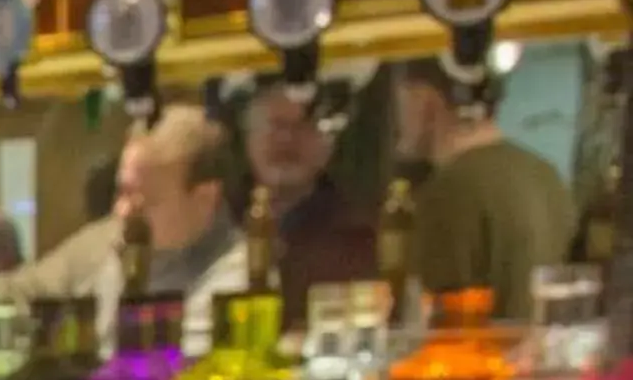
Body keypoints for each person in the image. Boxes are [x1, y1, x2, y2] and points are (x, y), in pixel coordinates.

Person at [2, 103, 247, 354]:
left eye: (145, 200)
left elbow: (174, 372)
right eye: (122, 192)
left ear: (205, 199)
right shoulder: (109, 239)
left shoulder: (236, 280)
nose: (123, 211)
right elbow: (21, 295)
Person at [393, 59, 576, 321]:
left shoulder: (450, 189)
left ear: (426, 101)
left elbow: (445, 324)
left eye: (402, 99)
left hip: (480, 359)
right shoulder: (545, 175)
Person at [241, 81, 377, 316]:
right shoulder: (214, 221)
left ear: (329, 145)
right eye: (276, 125)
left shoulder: (358, 238)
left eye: (302, 126)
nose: (286, 140)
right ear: (249, 138)